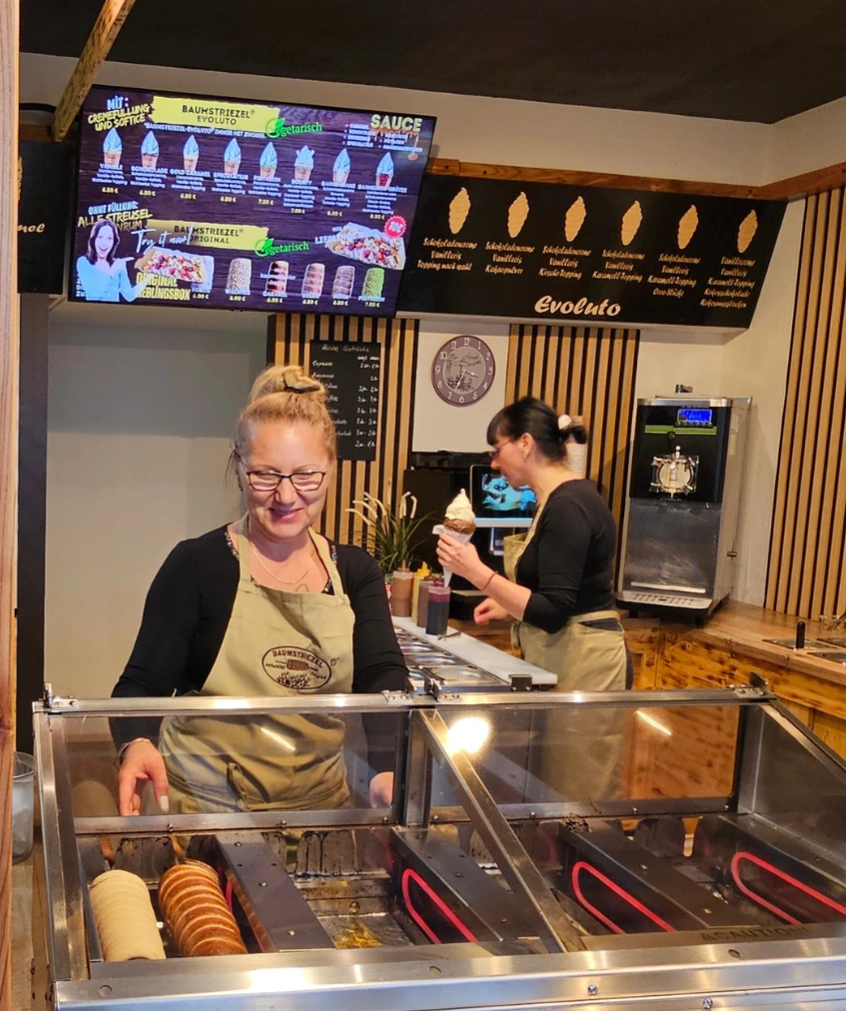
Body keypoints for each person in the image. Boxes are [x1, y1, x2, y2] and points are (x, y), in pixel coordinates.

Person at [112, 365, 408, 817]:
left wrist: (388, 766)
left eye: (306, 475)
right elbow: (140, 685)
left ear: (331, 470)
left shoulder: (356, 572)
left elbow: (381, 676)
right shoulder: (197, 565)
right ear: (238, 471)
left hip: (319, 813)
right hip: (204, 812)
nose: (286, 497)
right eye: (265, 475)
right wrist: (136, 743)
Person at [436, 397, 630, 796]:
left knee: (577, 796)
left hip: (585, 667)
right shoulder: (554, 501)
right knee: (551, 789)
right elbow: (560, 594)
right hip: (565, 660)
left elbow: (554, 611)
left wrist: (477, 573)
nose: (494, 464)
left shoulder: (568, 506)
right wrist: (510, 607)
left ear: (525, 443)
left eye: (497, 450)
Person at [74, 218, 140, 303]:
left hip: (115, 311)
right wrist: (113, 270)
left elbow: (129, 296)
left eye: (109, 238)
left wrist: (149, 277)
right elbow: (94, 295)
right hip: (91, 310)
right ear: (94, 239)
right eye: (100, 237)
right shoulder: (83, 262)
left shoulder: (117, 264)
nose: (104, 243)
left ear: (114, 242)